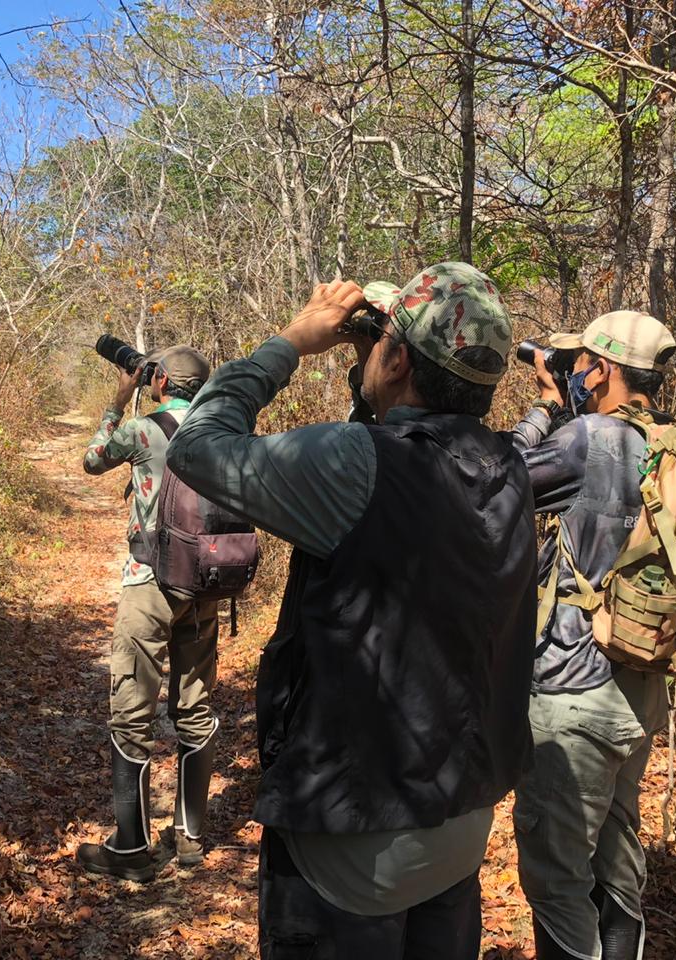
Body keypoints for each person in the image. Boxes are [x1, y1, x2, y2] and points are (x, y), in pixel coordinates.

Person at [166, 263, 537, 959]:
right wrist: (378, 381)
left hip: (353, 842)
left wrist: (292, 341)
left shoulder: (353, 462)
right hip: (460, 822)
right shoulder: (508, 467)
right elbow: (404, 460)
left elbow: (197, 447)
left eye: (384, 344)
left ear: (396, 357)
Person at [510, 311, 676, 960]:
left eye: (579, 362)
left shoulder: (587, 439)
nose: (574, 372)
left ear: (602, 369)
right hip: (639, 692)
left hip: (574, 701)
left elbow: (487, 483)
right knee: (616, 868)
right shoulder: (669, 442)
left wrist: (545, 403)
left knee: (558, 885)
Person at [75, 344, 219, 882]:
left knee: (132, 708)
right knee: (194, 705)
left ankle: (132, 848)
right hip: (205, 585)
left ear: (158, 381)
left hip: (149, 582)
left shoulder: (142, 429)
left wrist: (118, 398)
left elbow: (92, 461)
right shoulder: (223, 432)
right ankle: (190, 837)